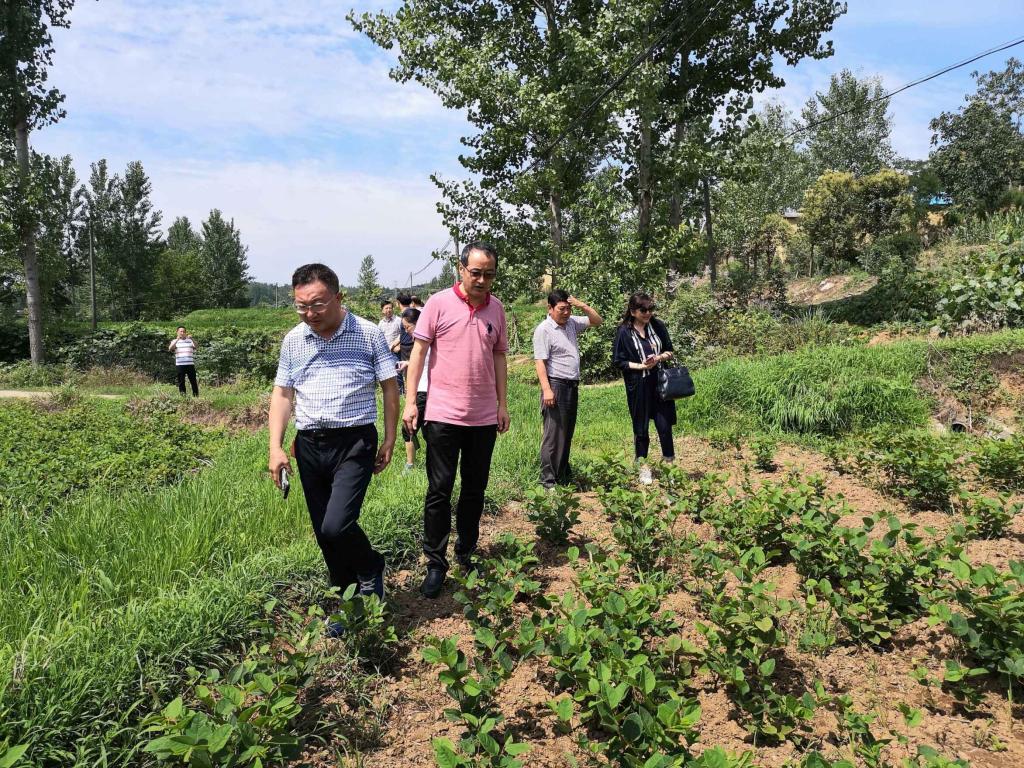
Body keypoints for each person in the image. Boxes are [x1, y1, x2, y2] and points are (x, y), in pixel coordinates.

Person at [268, 263, 399, 636]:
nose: (309, 313)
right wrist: (275, 447)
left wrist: (390, 439)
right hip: (310, 445)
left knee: (336, 524)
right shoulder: (294, 340)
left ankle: (371, 565)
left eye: (317, 304)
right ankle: (348, 603)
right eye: (301, 306)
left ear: (339, 298)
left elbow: (390, 388)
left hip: (354, 441)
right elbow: (283, 394)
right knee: (324, 534)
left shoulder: (368, 334)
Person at [402, 241, 509, 599]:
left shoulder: (496, 309)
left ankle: (466, 552)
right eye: (475, 272)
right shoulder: (438, 303)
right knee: (440, 490)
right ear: (461, 270)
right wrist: (411, 402)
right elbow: (418, 353)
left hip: (483, 416)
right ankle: (436, 563)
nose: (482, 280)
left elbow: (499, 358)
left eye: (489, 274)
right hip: (443, 415)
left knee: (475, 489)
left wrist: (502, 404)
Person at [532, 290, 602, 488]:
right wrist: (547, 389)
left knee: (567, 432)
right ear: (550, 308)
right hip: (556, 384)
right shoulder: (544, 330)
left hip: (571, 385)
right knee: (553, 434)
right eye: (561, 309)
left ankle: (562, 475)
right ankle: (547, 481)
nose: (566, 313)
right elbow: (540, 362)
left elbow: (597, 321)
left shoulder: (571, 323)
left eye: (569, 309)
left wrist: (583, 306)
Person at [611, 292, 676, 485]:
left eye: (650, 309)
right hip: (639, 385)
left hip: (661, 383)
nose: (648, 313)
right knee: (641, 428)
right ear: (633, 311)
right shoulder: (624, 332)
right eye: (643, 310)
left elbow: (669, 350)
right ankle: (643, 467)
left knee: (664, 426)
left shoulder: (658, 326)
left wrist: (658, 358)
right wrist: (640, 366)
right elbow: (618, 361)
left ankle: (670, 467)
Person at [397, 307, 428, 472]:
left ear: (417, 324)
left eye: (407, 327)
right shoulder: (425, 340)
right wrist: (408, 363)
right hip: (426, 390)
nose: (407, 331)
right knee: (428, 429)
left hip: (423, 390)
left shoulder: (424, 340)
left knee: (408, 427)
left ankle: (410, 465)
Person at [168, 326, 199, 396]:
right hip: (180, 365)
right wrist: (177, 339)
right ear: (177, 332)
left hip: (190, 364)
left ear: (186, 332)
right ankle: (183, 396)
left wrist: (192, 339)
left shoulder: (190, 340)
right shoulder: (174, 341)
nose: (182, 333)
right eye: (181, 331)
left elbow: (197, 347)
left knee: (193, 381)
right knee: (181, 381)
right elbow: (170, 348)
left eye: (184, 331)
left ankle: (196, 396)